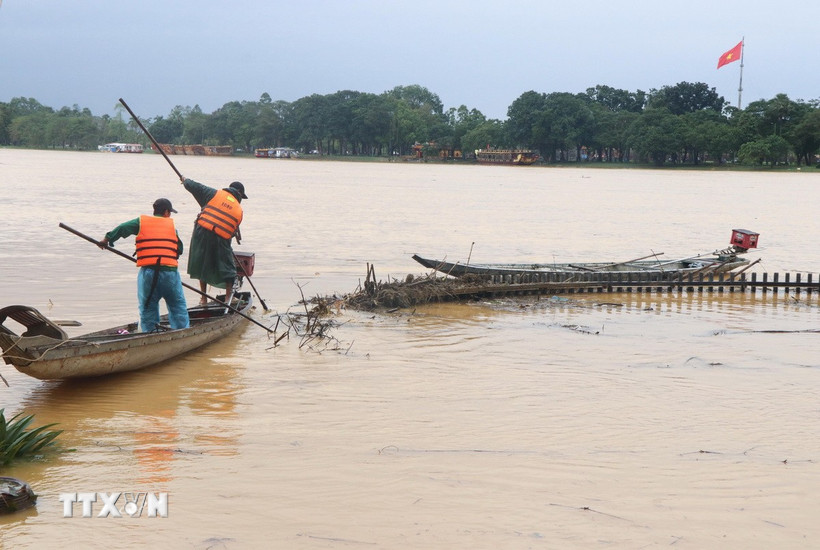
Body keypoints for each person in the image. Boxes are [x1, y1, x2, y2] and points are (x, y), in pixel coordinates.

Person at [100, 198, 190, 333]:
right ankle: (183, 333)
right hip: (170, 274)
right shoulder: (172, 228)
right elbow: (179, 250)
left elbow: (123, 228)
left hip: (149, 273)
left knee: (148, 308)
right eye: (169, 212)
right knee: (177, 307)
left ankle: (149, 334)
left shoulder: (141, 222)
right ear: (166, 212)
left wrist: (107, 239)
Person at [180, 177, 247, 306]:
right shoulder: (239, 210)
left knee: (202, 264)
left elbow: (194, 186)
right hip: (221, 238)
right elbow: (231, 232)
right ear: (238, 193)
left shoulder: (213, 194)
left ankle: (203, 299)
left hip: (201, 233)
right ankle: (228, 299)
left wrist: (185, 181)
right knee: (229, 269)